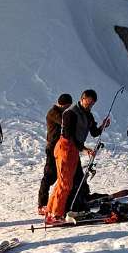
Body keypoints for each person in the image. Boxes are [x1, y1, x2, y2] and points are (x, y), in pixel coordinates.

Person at [45, 89, 111, 225]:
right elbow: (68, 135)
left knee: (65, 182)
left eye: (93, 103)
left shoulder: (88, 115)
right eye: (89, 101)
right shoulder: (70, 113)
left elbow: (94, 132)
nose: (90, 105)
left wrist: (102, 126)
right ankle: (55, 215)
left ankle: (51, 211)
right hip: (65, 148)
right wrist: (84, 148)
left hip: (73, 150)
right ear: (83, 98)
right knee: (65, 183)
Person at [37, 93, 73, 215]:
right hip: (52, 148)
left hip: (61, 149)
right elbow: (64, 122)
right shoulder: (53, 113)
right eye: (67, 106)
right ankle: (42, 204)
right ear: (63, 104)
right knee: (48, 176)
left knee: (60, 176)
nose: (67, 109)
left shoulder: (60, 112)